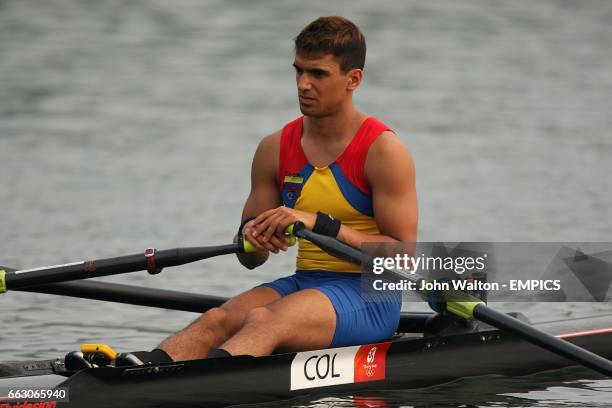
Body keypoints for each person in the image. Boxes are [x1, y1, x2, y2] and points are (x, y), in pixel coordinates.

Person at [156, 15, 417, 361]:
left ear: (353, 79)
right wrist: (253, 235)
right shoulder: (274, 148)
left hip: (369, 295)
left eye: (318, 74)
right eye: (299, 71)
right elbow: (251, 258)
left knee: (265, 321)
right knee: (217, 319)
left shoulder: (383, 151)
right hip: (305, 283)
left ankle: (201, 385)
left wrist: (321, 225)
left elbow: (404, 256)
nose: (303, 85)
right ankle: (136, 375)